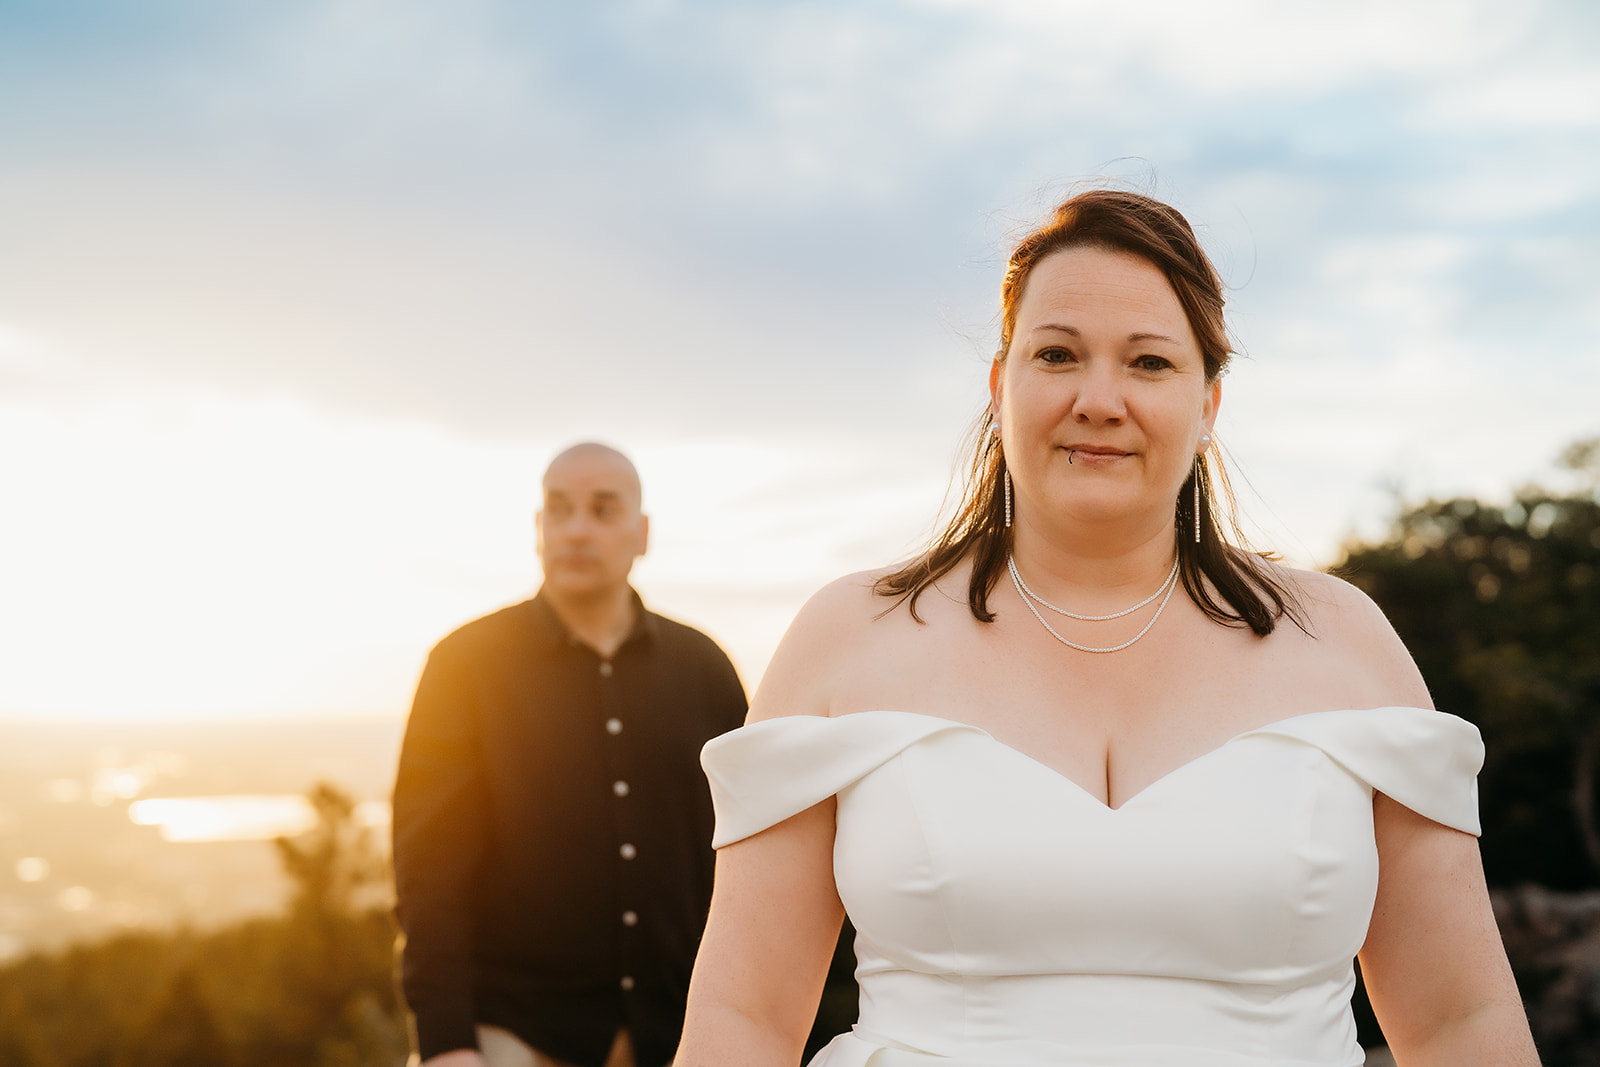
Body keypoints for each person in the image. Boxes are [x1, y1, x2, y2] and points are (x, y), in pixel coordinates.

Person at [676, 190, 1539, 1066]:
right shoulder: (847, 636)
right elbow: (742, 1018)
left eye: (1149, 363)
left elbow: (1458, 1022)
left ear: (1208, 403)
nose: (1099, 398)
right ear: (998, 386)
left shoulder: (1345, 642)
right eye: (1057, 354)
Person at [394, 442, 748, 1067]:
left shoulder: (706, 669)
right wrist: (446, 1043)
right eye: (559, 511)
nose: (577, 529)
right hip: (512, 1032)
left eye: (603, 510)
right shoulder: (463, 665)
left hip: (682, 1034)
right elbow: (429, 870)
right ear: (538, 530)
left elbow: (745, 857)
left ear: (642, 534)